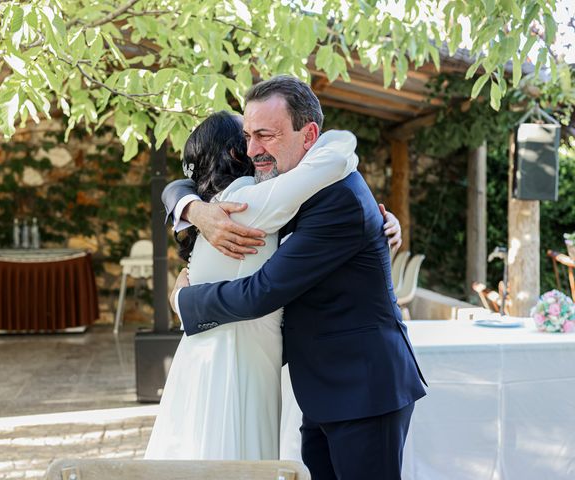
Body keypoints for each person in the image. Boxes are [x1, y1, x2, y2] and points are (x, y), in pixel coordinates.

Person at [167, 75, 426, 479]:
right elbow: (190, 178)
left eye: (265, 135)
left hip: (363, 389)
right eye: (248, 136)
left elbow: (264, 291)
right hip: (325, 389)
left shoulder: (337, 197)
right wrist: (189, 206)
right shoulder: (288, 188)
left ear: (309, 135)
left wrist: (185, 301)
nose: (253, 150)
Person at [145, 111, 363, 459]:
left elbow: (177, 189)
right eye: (247, 140)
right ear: (234, 153)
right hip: (238, 366)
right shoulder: (248, 201)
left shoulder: (213, 207)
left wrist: (189, 206)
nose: (255, 148)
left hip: (201, 358)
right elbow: (339, 153)